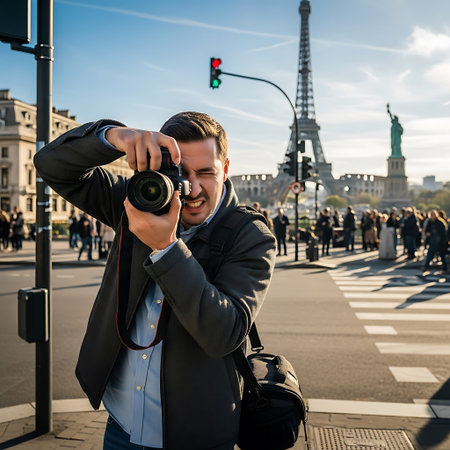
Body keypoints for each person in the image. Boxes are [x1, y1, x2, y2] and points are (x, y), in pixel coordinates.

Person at [34, 112, 276, 450]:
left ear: (226, 167)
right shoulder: (137, 204)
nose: (191, 188)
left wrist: (166, 249)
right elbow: (51, 164)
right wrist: (114, 136)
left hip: (194, 434)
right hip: (122, 420)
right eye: (179, 173)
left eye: (205, 172)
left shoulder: (250, 235)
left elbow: (225, 333)